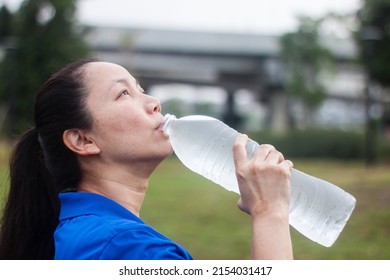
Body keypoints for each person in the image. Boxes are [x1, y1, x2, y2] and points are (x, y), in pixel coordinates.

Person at [0, 59, 293, 260]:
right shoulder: (129, 248)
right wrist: (270, 213)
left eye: (140, 89)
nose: (154, 103)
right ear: (83, 140)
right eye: (123, 93)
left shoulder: (82, 231)